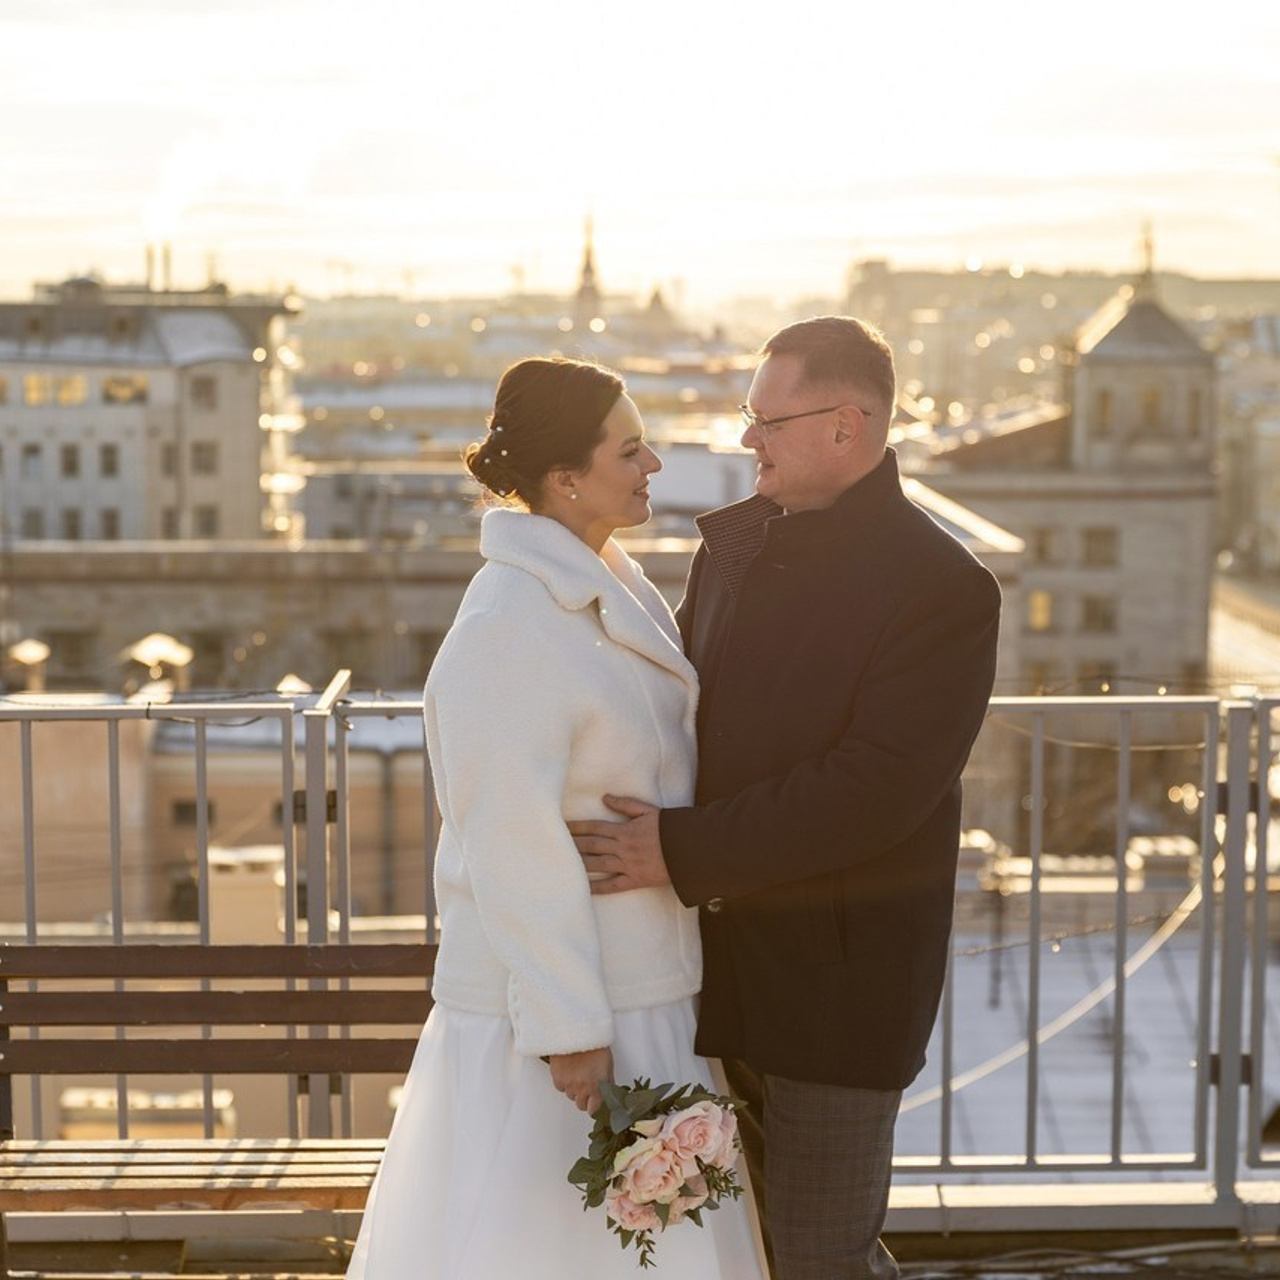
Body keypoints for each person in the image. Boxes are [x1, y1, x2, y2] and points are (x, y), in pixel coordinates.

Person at [573, 316, 1002, 1279]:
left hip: (834, 998)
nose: (745, 439)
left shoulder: (943, 587)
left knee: (816, 1258)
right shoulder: (735, 550)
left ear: (846, 428)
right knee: (755, 1250)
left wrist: (679, 853)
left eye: (766, 419)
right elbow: (673, 712)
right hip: (710, 980)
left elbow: (873, 791)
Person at [345, 356, 765, 1279]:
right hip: (559, 1025)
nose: (653, 463)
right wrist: (569, 1031)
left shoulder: (603, 587)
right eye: (631, 447)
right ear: (565, 478)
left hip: (640, 988)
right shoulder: (508, 627)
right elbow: (508, 842)